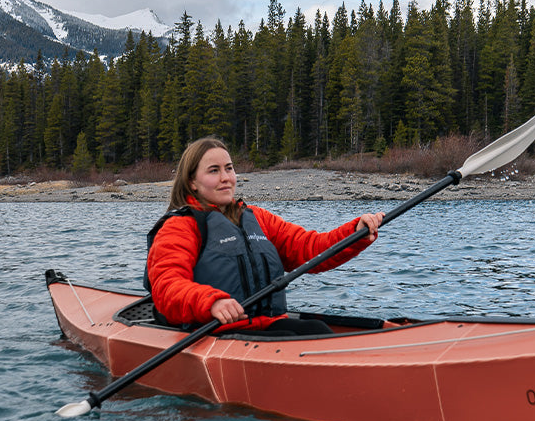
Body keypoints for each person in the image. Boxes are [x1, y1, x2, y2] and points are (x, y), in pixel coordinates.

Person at [147, 137, 384, 336]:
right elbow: (167, 286)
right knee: (294, 337)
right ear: (192, 182)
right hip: (213, 331)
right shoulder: (180, 226)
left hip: (267, 324)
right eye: (214, 171)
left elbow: (309, 248)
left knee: (317, 329)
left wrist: (355, 233)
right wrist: (212, 302)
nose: (226, 177)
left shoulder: (258, 218)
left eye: (229, 168)